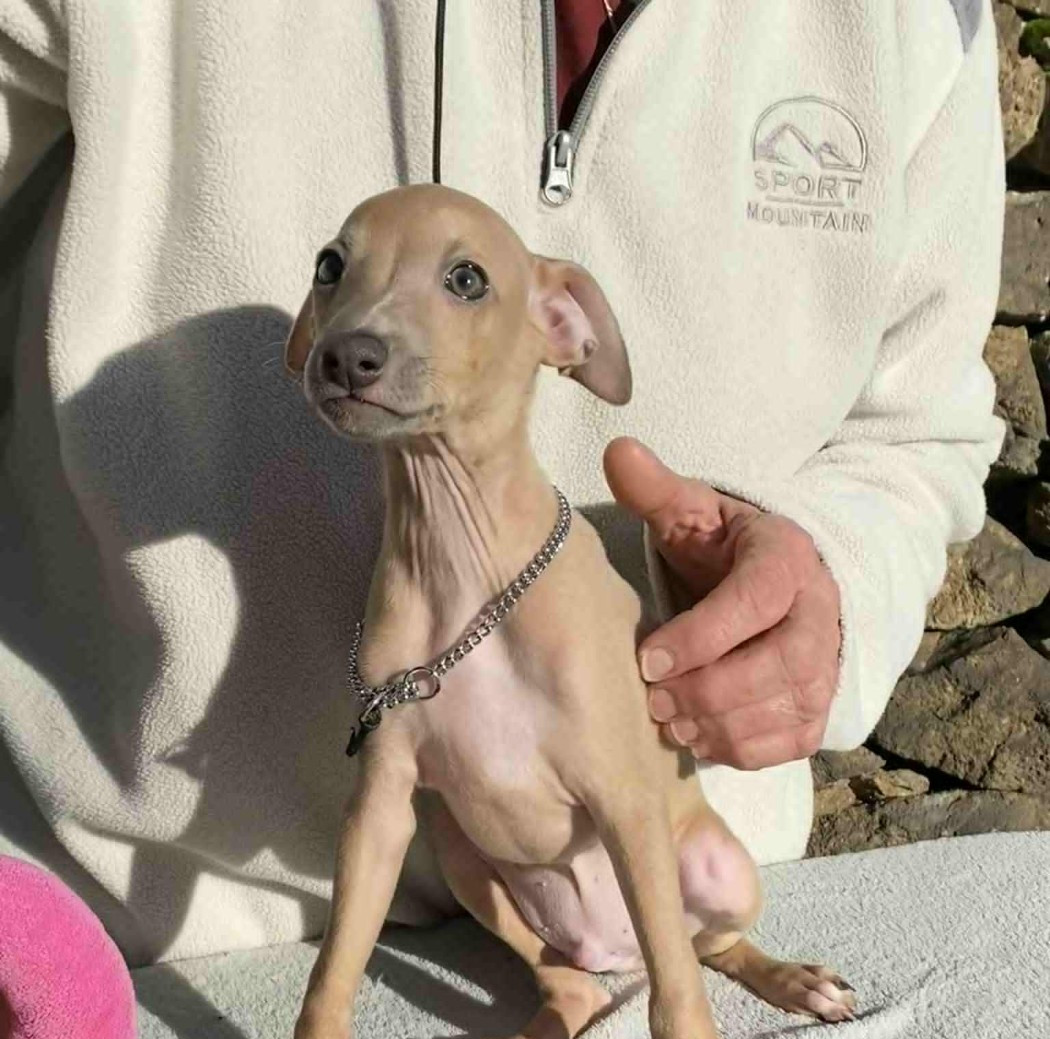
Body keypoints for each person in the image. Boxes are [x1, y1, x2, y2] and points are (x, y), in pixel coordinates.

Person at [0, 1, 1004, 964]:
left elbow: (915, 430)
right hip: (125, 933)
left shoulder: (922, 20)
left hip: (653, 912)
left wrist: (834, 573)